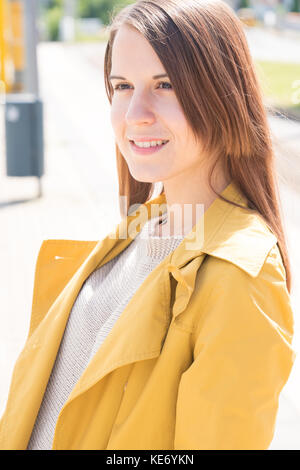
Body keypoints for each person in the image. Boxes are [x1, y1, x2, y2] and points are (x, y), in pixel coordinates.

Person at [0, 0, 296, 450]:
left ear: (222, 94)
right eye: (121, 86)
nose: (135, 113)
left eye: (166, 84)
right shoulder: (138, 229)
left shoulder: (241, 279)